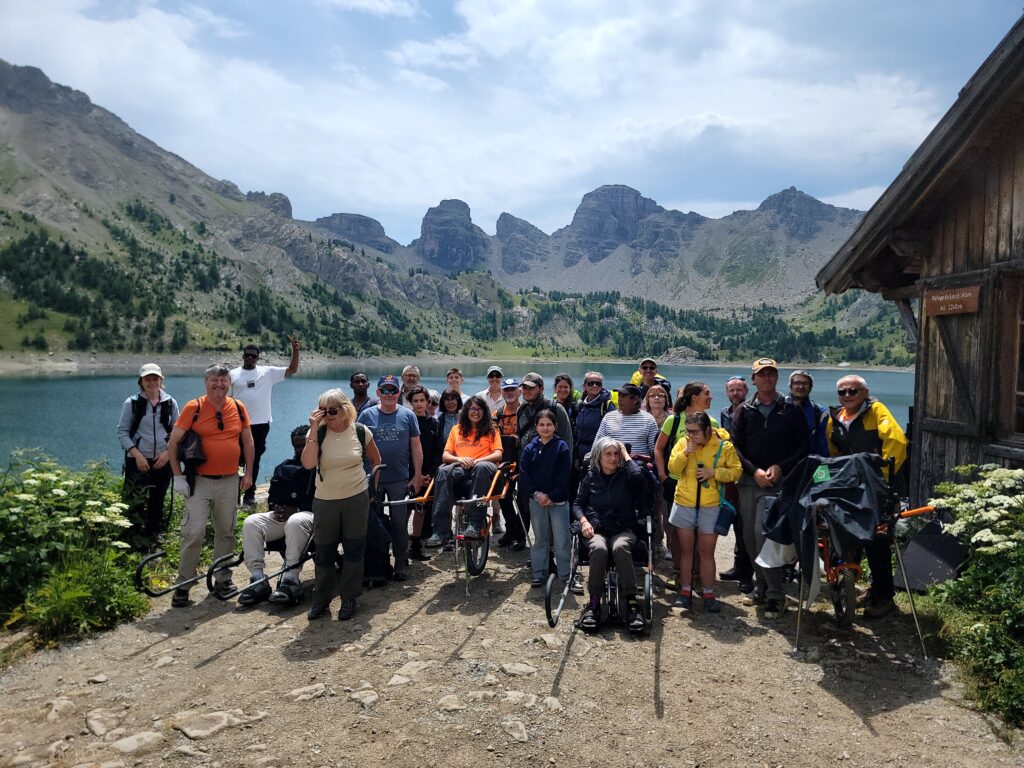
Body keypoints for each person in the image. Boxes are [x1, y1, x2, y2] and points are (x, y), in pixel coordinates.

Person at [167, 363, 255, 607]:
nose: (219, 384)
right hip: (199, 481)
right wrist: (177, 476)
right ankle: (183, 584)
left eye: (223, 380)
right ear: (206, 383)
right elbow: (173, 443)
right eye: (214, 380)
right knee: (193, 533)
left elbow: (248, 442)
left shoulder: (238, 407)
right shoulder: (193, 407)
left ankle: (223, 579)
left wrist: (248, 473)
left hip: (229, 480)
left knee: (226, 532)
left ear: (229, 383)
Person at [730, 358, 809, 620]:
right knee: (750, 538)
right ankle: (761, 586)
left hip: (779, 484)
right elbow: (735, 447)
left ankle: (776, 595)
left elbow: (804, 446)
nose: (766, 378)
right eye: (761, 374)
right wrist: (754, 470)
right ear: (753, 379)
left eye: (771, 374)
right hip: (750, 482)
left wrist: (780, 467)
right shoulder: (744, 410)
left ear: (776, 378)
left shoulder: (791, 408)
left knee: (766, 536)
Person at [826, 374, 909, 619]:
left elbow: (896, 441)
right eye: (842, 392)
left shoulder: (876, 410)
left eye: (853, 391)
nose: (847, 395)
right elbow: (832, 451)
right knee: (851, 537)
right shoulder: (835, 417)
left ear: (864, 393)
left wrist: (881, 475)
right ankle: (858, 589)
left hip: (879, 490)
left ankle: (883, 596)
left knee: (878, 541)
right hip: (850, 489)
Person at [301, 389, 381, 621]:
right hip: (325, 500)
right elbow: (308, 464)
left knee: (354, 548)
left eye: (332, 410)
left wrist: (371, 489)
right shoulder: (318, 433)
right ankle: (321, 600)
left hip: (356, 498)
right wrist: (313, 429)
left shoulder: (360, 431)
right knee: (324, 551)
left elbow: (376, 460)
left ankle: (349, 598)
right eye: (323, 410)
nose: (327, 414)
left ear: (345, 409)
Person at [667, 412, 742, 613]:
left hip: (710, 504)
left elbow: (736, 471)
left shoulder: (724, 446)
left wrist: (714, 473)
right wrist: (685, 453)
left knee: (706, 552)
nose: (691, 436)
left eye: (695, 432)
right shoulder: (684, 443)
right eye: (688, 431)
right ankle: (685, 591)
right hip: (685, 501)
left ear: (707, 429)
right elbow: (673, 469)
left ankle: (708, 592)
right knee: (686, 551)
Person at [573, 437, 647, 633]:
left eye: (616, 454)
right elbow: (577, 504)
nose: (613, 458)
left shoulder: (627, 475)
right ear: (599, 456)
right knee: (598, 547)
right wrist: (584, 521)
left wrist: (626, 455)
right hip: (597, 529)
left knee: (620, 547)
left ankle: (632, 603)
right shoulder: (590, 477)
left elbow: (638, 477)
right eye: (608, 454)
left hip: (624, 529)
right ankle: (594, 603)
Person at [237, 426, 315, 606]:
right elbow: (272, 496)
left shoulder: (322, 467)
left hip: (311, 517)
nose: (301, 449)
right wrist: (276, 507)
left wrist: (296, 510)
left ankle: (291, 579)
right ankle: (258, 579)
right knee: (251, 522)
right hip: (284, 518)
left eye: (305, 445)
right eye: (297, 446)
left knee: (295, 520)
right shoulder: (284, 467)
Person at [357, 374, 424, 581]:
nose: (389, 394)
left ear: (398, 392)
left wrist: (417, 475)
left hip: (399, 478)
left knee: (399, 522)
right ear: (378, 392)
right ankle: (378, 562)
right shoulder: (366, 415)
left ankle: (401, 561)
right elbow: (357, 446)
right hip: (372, 478)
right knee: (373, 521)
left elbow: (416, 447)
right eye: (384, 390)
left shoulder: (408, 415)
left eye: (393, 390)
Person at [229, 337, 300, 507]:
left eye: (253, 356)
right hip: (238, 424)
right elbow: (227, 399)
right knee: (238, 460)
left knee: (254, 460)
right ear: (243, 356)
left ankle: (249, 495)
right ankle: (235, 494)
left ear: (258, 358)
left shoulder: (267, 372)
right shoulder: (233, 374)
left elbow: (292, 369)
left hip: (260, 423)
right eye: (247, 355)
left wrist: (295, 350)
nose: (250, 358)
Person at [117, 363, 179, 549]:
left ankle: (153, 535)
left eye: (155, 378)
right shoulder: (131, 403)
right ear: (141, 382)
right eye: (147, 379)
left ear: (161, 380)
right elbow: (122, 432)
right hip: (138, 460)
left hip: (162, 459)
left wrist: (168, 453)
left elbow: (178, 433)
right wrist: (137, 455)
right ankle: (133, 538)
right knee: (135, 500)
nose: (152, 382)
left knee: (157, 499)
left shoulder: (170, 403)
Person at [425, 395, 503, 544]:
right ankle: (441, 531)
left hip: (485, 468)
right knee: (442, 471)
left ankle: (474, 524)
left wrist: (476, 460)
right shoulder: (457, 430)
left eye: (479, 409)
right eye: (472, 409)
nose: (476, 412)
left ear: (485, 411)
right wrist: (460, 460)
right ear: (466, 411)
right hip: (462, 467)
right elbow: (445, 456)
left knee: (480, 467)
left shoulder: (492, 430)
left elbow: (498, 454)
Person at [509, 373, 573, 551]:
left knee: (549, 507)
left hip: (551, 467)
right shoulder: (521, 409)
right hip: (527, 466)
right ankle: (523, 539)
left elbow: (567, 440)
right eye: (524, 387)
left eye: (531, 388)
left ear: (541, 389)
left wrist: (565, 470)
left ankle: (551, 548)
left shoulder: (555, 408)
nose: (527, 391)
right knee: (525, 504)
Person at [519, 409, 572, 588]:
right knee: (540, 538)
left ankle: (566, 574)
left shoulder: (561, 446)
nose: (545, 428)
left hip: (558, 501)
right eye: (541, 424)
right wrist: (536, 494)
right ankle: (539, 573)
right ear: (536, 427)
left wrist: (552, 496)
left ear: (555, 426)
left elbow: (564, 475)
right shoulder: (530, 448)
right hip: (537, 501)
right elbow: (524, 474)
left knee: (562, 539)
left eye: (549, 424)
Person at [718, 376, 754, 592]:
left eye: (739, 390)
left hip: (748, 472)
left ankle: (748, 575)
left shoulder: (751, 411)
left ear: (746, 390)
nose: (735, 394)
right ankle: (739, 567)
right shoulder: (724, 413)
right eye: (732, 390)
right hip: (729, 475)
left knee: (745, 525)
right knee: (735, 522)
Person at [407, 384, 442, 561]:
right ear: (410, 402)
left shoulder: (433, 423)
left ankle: (415, 545)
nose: (419, 404)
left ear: (427, 401)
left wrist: (430, 473)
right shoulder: (406, 420)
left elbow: (438, 451)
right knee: (405, 510)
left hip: (427, 475)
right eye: (415, 401)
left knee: (420, 509)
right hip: (409, 474)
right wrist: (415, 474)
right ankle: (401, 545)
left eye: (422, 400)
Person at [492, 377, 523, 541]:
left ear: (519, 391)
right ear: (502, 393)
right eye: (506, 390)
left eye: (513, 389)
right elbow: (492, 437)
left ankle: (520, 534)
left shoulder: (526, 411)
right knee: (503, 496)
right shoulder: (498, 414)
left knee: (525, 499)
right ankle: (511, 530)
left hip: (524, 459)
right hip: (505, 460)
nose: (510, 393)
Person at [593, 384, 659, 459]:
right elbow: (597, 446)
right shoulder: (608, 417)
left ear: (635, 400)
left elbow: (655, 450)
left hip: (638, 464)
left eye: (623, 396)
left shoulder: (649, 419)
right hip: (611, 463)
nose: (619, 399)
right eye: (619, 396)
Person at [575, 370, 615, 467]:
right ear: (584, 386)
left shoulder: (606, 406)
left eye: (598, 383)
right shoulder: (580, 405)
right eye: (591, 383)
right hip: (580, 454)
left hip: (600, 454)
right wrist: (576, 456)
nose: (594, 386)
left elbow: (613, 433)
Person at [787, 370, 829, 457]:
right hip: (780, 463)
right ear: (790, 386)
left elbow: (823, 447)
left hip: (808, 462)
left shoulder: (820, 413)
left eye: (805, 384)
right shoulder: (777, 407)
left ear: (810, 387)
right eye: (797, 383)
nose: (801, 387)